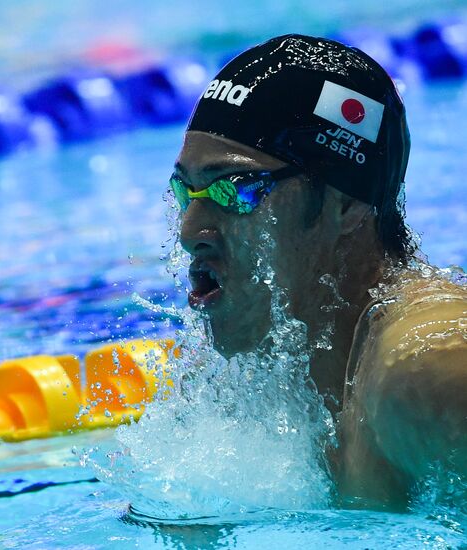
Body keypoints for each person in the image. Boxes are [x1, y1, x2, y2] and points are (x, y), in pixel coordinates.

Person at [169, 34, 466, 508]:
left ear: (346, 203)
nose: (190, 231)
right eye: (187, 192)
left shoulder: (429, 368)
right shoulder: (274, 364)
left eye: (236, 190)